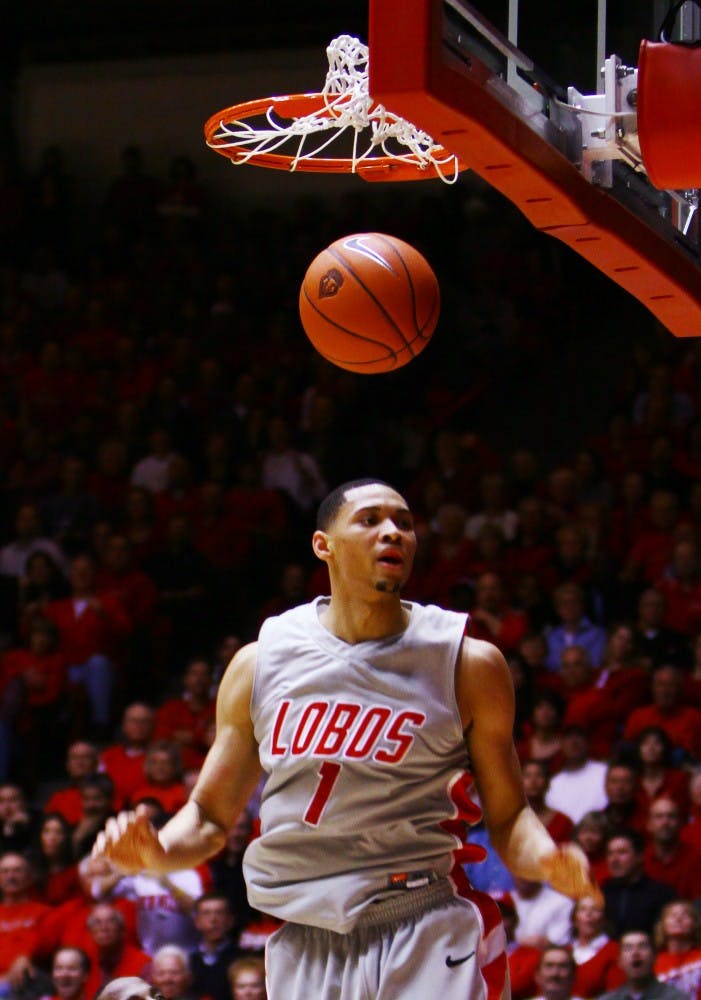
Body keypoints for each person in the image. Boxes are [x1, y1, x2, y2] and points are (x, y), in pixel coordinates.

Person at [93, 479, 599, 1000]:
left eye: (404, 523)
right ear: (323, 545)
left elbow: (510, 816)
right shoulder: (261, 662)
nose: (393, 533)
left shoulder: (467, 663)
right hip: (306, 934)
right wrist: (158, 853)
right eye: (371, 519)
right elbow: (210, 817)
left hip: (420, 921)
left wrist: (546, 857)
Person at [602, 829, 676, 937]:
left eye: (622, 852)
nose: (614, 859)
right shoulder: (601, 894)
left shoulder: (661, 894)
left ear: (640, 856)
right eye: (610, 853)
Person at [599, 930, 687, 1000]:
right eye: (628, 948)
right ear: (620, 962)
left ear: (655, 958)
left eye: (642, 946)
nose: (635, 952)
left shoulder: (675, 997)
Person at [653, 900, 701, 1000]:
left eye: (685, 915)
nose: (678, 919)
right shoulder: (652, 962)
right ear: (663, 925)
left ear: (695, 924)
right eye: (672, 915)